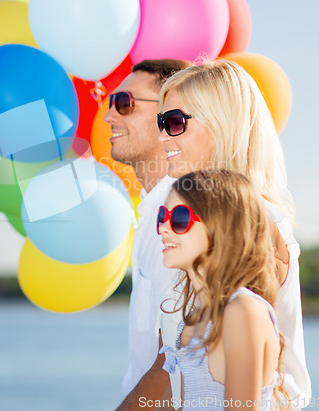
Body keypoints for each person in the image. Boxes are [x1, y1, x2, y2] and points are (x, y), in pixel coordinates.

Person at [115, 59, 310, 410]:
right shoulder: (191, 221)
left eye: (175, 123)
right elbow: (183, 372)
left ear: (222, 127)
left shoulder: (255, 225)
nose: (162, 136)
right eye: (161, 122)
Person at [158, 170, 289, 411]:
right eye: (162, 216)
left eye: (178, 218)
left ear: (221, 228)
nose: (164, 228)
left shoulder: (243, 311)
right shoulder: (193, 320)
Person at [104, 59, 192, 400]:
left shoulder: (176, 210)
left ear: (169, 114)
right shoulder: (153, 206)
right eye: (112, 104)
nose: (110, 116)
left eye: (125, 103)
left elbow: (177, 356)